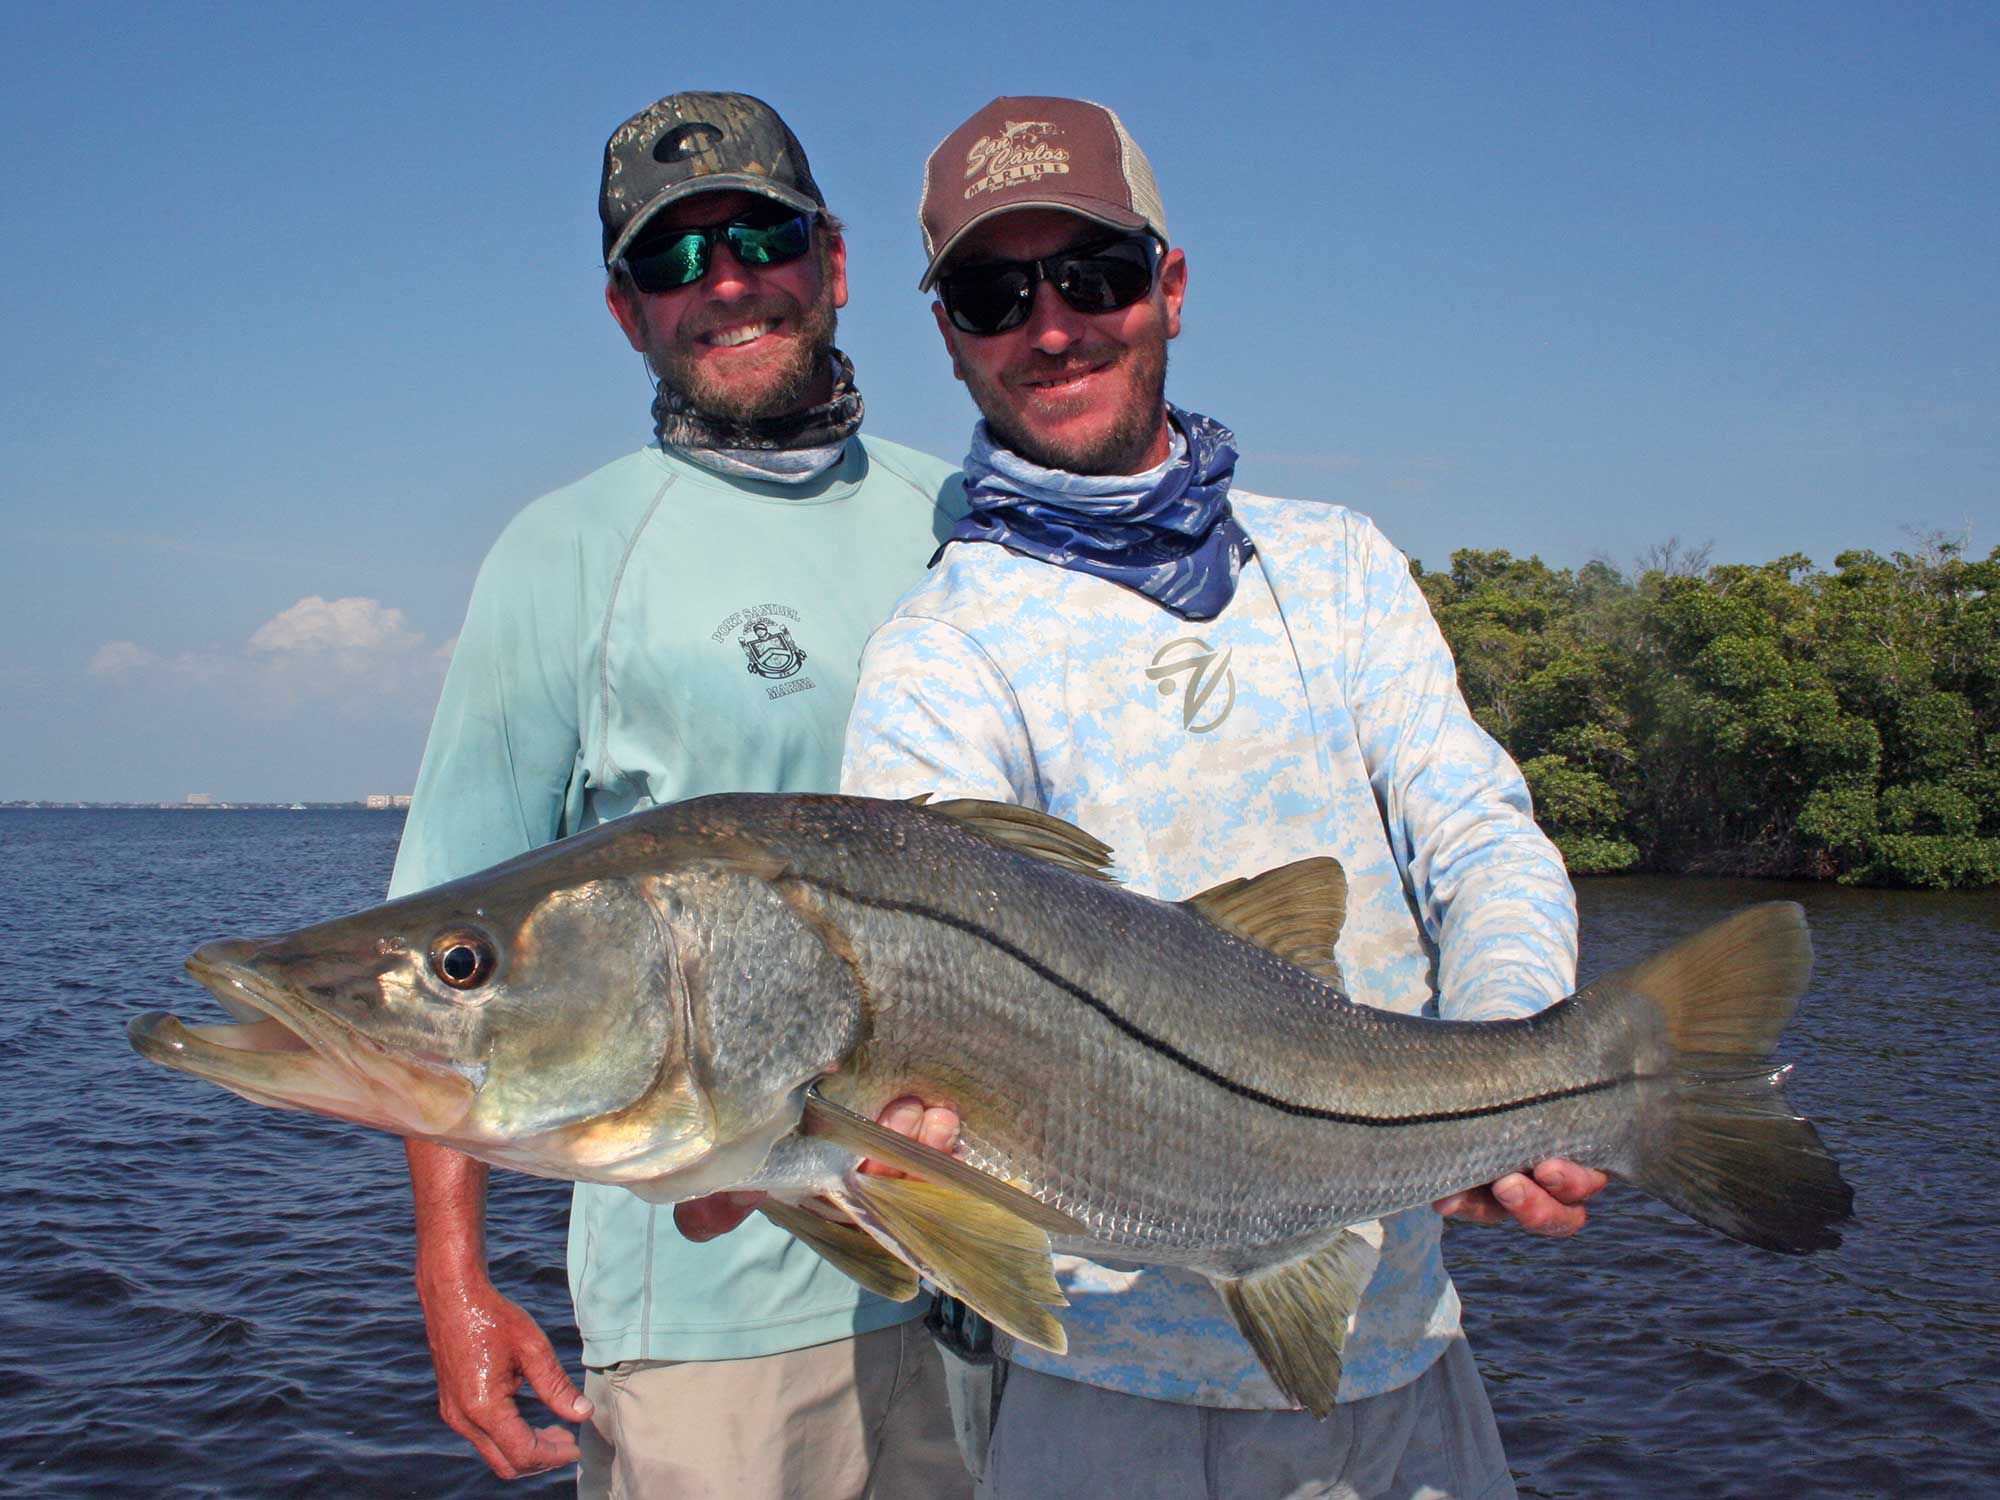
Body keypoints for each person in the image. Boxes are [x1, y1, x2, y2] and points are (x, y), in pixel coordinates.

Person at [837, 96, 1608, 1498]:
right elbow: (926, 1009)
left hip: (1409, 1364)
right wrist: (895, 1149)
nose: (1053, 325)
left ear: (1171, 286)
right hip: (1101, 1400)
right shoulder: (940, 650)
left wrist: (1511, 1049)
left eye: (1096, 275)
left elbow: (1475, 830)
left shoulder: (1340, 566)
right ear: (948, 332)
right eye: (994, 292)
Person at [388, 90, 970, 1500]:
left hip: (996, 1278)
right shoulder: (564, 556)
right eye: (670, 260)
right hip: (715, 1324)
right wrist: (452, 1279)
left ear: (831, 261)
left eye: (758, 234)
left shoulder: (968, 519)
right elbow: (436, 951)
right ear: (624, 313)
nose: (723, 284)